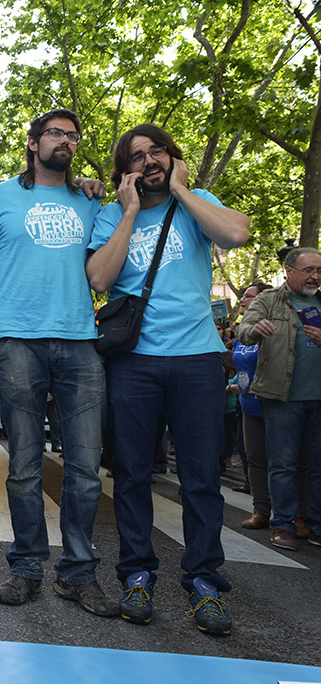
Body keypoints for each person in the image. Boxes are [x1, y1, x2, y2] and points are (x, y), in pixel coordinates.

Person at [86, 123, 249, 634]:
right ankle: (137, 575)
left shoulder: (195, 199)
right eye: (137, 156)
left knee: (201, 477)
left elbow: (237, 233)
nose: (149, 161)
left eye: (157, 152)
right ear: (125, 170)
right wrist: (130, 212)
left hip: (198, 359)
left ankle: (204, 583)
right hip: (134, 362)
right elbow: (98, 278)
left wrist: (181, 188)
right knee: (132, 474)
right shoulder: (113, 214)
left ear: (171, 157)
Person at [0, 109, 117, 617]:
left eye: (73, 136)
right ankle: (27, 568)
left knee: (84, 469)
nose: (66, 141)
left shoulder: (91, 199)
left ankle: (78, 574)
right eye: (55, 133)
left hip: (80, 342)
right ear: (33, 142)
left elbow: (104, 265)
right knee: (23, 467)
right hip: (17, 343)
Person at [234, 247, 321, 551]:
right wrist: (255, 328)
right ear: (289, 271)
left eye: (319, 271)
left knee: (317, 466)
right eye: (309, 270)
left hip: (318, 398)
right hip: (281, 396)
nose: (315, 276)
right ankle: (282, 525)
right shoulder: (268, 300)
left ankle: (314, 524)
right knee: (282, 464)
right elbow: (242, 329)